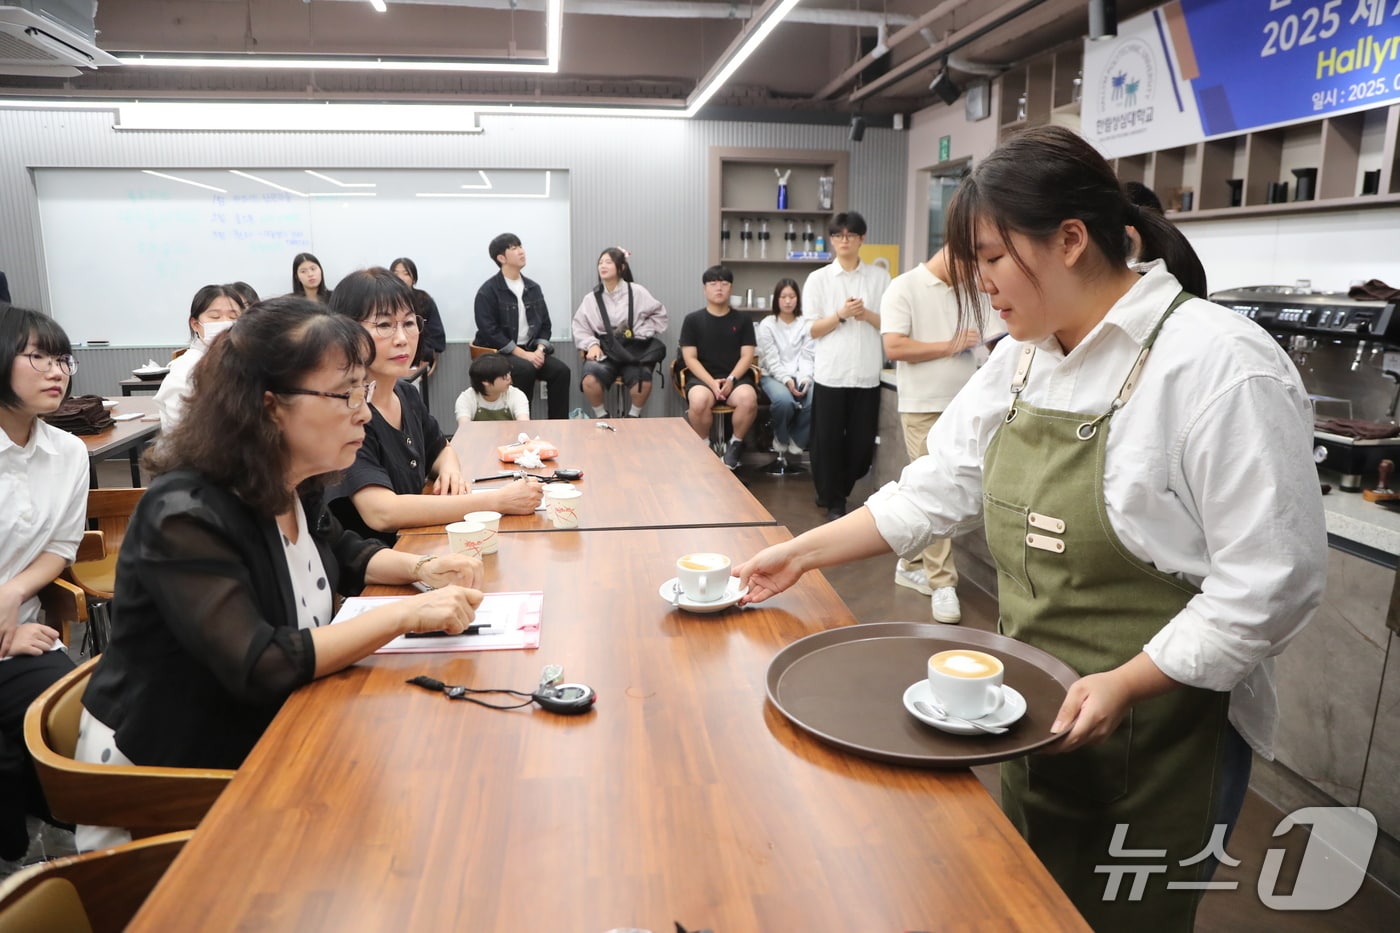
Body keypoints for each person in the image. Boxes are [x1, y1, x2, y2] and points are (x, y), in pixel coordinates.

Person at [736, 125, 1326, 932]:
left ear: (1072, 240)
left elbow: (1272, 583)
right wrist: (799, 553)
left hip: (1159, 738)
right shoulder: (1023, 360)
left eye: (991, 258)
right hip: (1029, 718)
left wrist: (1126, 682)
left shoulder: (1217, 365)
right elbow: (935, 488)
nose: (980, 283)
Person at [75, 300, 484, 849]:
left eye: (364, 392)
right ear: (269, 406)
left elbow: (343, 548)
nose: (364, 412)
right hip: (172, 787)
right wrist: (406, 613)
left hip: (270, 738)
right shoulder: (186, 513)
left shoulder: (290, 481)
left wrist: (425, 567)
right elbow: (259, 662)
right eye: (346, 394)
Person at [327, 268, 541, 546]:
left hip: (422, 547)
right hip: (377, 574)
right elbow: (382, 513)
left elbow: (440, 447)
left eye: (408, 323)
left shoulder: (405, 393)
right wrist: (497, 501)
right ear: (347, 332)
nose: (402, 338)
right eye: (384, 325)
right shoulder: (346, 413)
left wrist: (449, 468)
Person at [0, 303, 83, 861]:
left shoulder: (68, 451)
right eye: (39, 357)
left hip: (20, 631)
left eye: (63, 359)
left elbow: (61, 547)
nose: (57, 371)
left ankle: (57, 834)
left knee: (73, 704)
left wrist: (10, 596)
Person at [880, 247, 998, 623]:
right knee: (937, 489)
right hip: (922, 406)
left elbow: (993, 336)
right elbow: (894, 346)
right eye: (973, 265)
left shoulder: (971, 291)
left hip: (967, 406)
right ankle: (943, 581)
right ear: (953, 254)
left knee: (964, 491)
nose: (976, 276)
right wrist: (951, 344)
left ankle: (911, 563)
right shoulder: (903, 287)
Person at [802, 211, 889, 521]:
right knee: (826, 443)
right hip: (831, 374)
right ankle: (833, 498)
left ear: (862, 239)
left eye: (850, 235)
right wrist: (840, 314)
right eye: (838, 236)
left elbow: (890, 324)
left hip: (866, 374)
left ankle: (838, 488)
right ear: (832, 240)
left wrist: (867, 315)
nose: (844, 241)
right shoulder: (819, 279)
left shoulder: (879, 278)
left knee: (861, 446)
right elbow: (811, 330)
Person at [472, 233, 570, 419]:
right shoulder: (488, 291)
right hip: (500, 352)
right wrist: (524, 355)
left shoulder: (533, 288)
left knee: (561, 371)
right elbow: (489, 330)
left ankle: (559, 425)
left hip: (532, 350)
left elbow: (545, 325)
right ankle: (523, 426)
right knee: (526, 369)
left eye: (520, 246)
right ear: (501, 258)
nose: (521, 251)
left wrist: (540, 350)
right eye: (514, 248)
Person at [571, 247, 668, 418]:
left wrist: (640, 333)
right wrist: (592, 344)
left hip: (633, 351)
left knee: (643, 380)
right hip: (605, 350)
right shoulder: (591, 298)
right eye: (600, 262)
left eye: (608, 262)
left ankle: (633, 417)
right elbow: (580, 326)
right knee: (589, 380)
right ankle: (602, 416)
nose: (603, 266)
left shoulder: (637, 291)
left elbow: (659, 315)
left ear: (621, 267)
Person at [678, 265, 758, 470]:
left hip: (736, 377)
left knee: (748, 399)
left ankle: (735, 445)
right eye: (713, 284)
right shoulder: (693, 320)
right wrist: (711, 383)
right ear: (705, 289)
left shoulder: (743, 320)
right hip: (703, 378)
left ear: (731, 288)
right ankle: (704, 447)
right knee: (698, 401)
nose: (719, 288)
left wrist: (731, 380)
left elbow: (747, 355)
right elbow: (690, 358)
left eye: (724, 283)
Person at [154, 284, 243, 431]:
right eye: (215, 316)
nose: (225, 322)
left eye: (234, 316)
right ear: (195, 324)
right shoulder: (185, 369)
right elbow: (180, 428)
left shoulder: (243, 359)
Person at [754, 278, 814, 456]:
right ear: (776, 300)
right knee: (784, 401)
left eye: (792, 296)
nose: (788, 301)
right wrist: (787, 380)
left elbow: (807, 356)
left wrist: (805, 379)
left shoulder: (807, 323)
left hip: (801, 373)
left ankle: (798, 438)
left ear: (798, 299)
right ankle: (781, 437)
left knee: (815, 399)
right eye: (783, 297)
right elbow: (772, 361)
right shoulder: (767, 324)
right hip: (772, 375)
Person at [390, 257, 447, 366]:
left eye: (406, 273)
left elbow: (437, 336)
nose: (400, 277)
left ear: (414, 279)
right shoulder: (383, 302)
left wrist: (424, 352)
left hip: (420, 355)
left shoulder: (424, 300)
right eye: (396, 273)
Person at [455, 353, 529, 424]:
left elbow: (523, 425)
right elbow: (465, 429)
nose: (509, 378)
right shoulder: (466, 398)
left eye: (509, 373)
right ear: (485, 382)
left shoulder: (516, 395)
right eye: (504, 376)